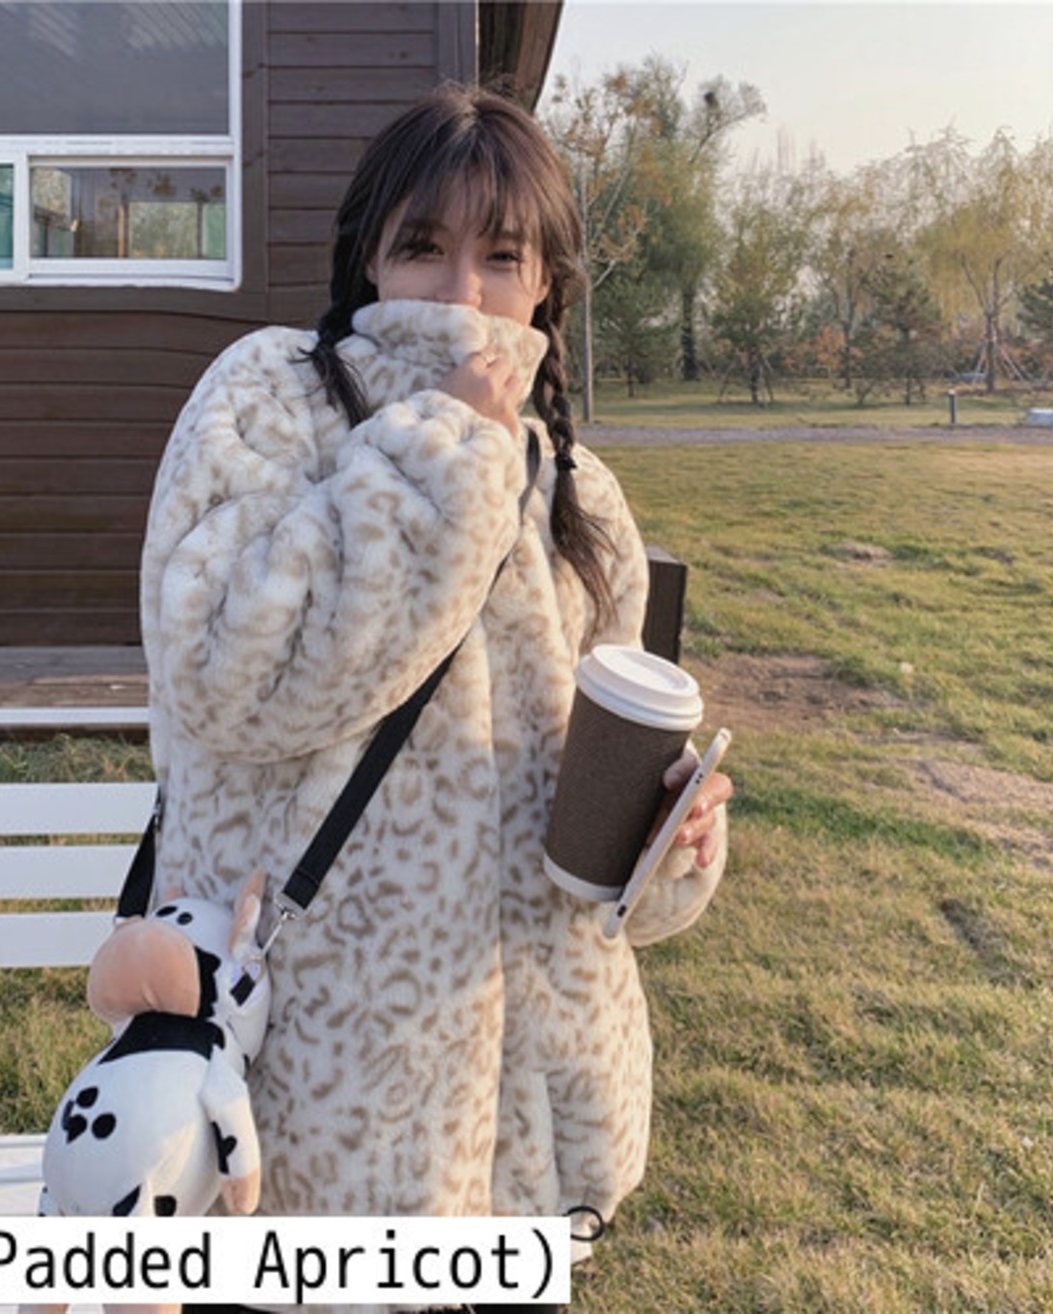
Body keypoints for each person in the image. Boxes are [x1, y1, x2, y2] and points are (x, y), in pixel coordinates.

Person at [141, 84, 732, 1313]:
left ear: (546, 287)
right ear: (369, 256)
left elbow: (590, 845)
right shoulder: (268, 396)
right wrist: (443, 451)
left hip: (530, 1109)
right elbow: (228, 676)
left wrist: (665, 847)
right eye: (422, 245)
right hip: (312, 1098)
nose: (460, 291)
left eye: (499, 256)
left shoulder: (581, 494)